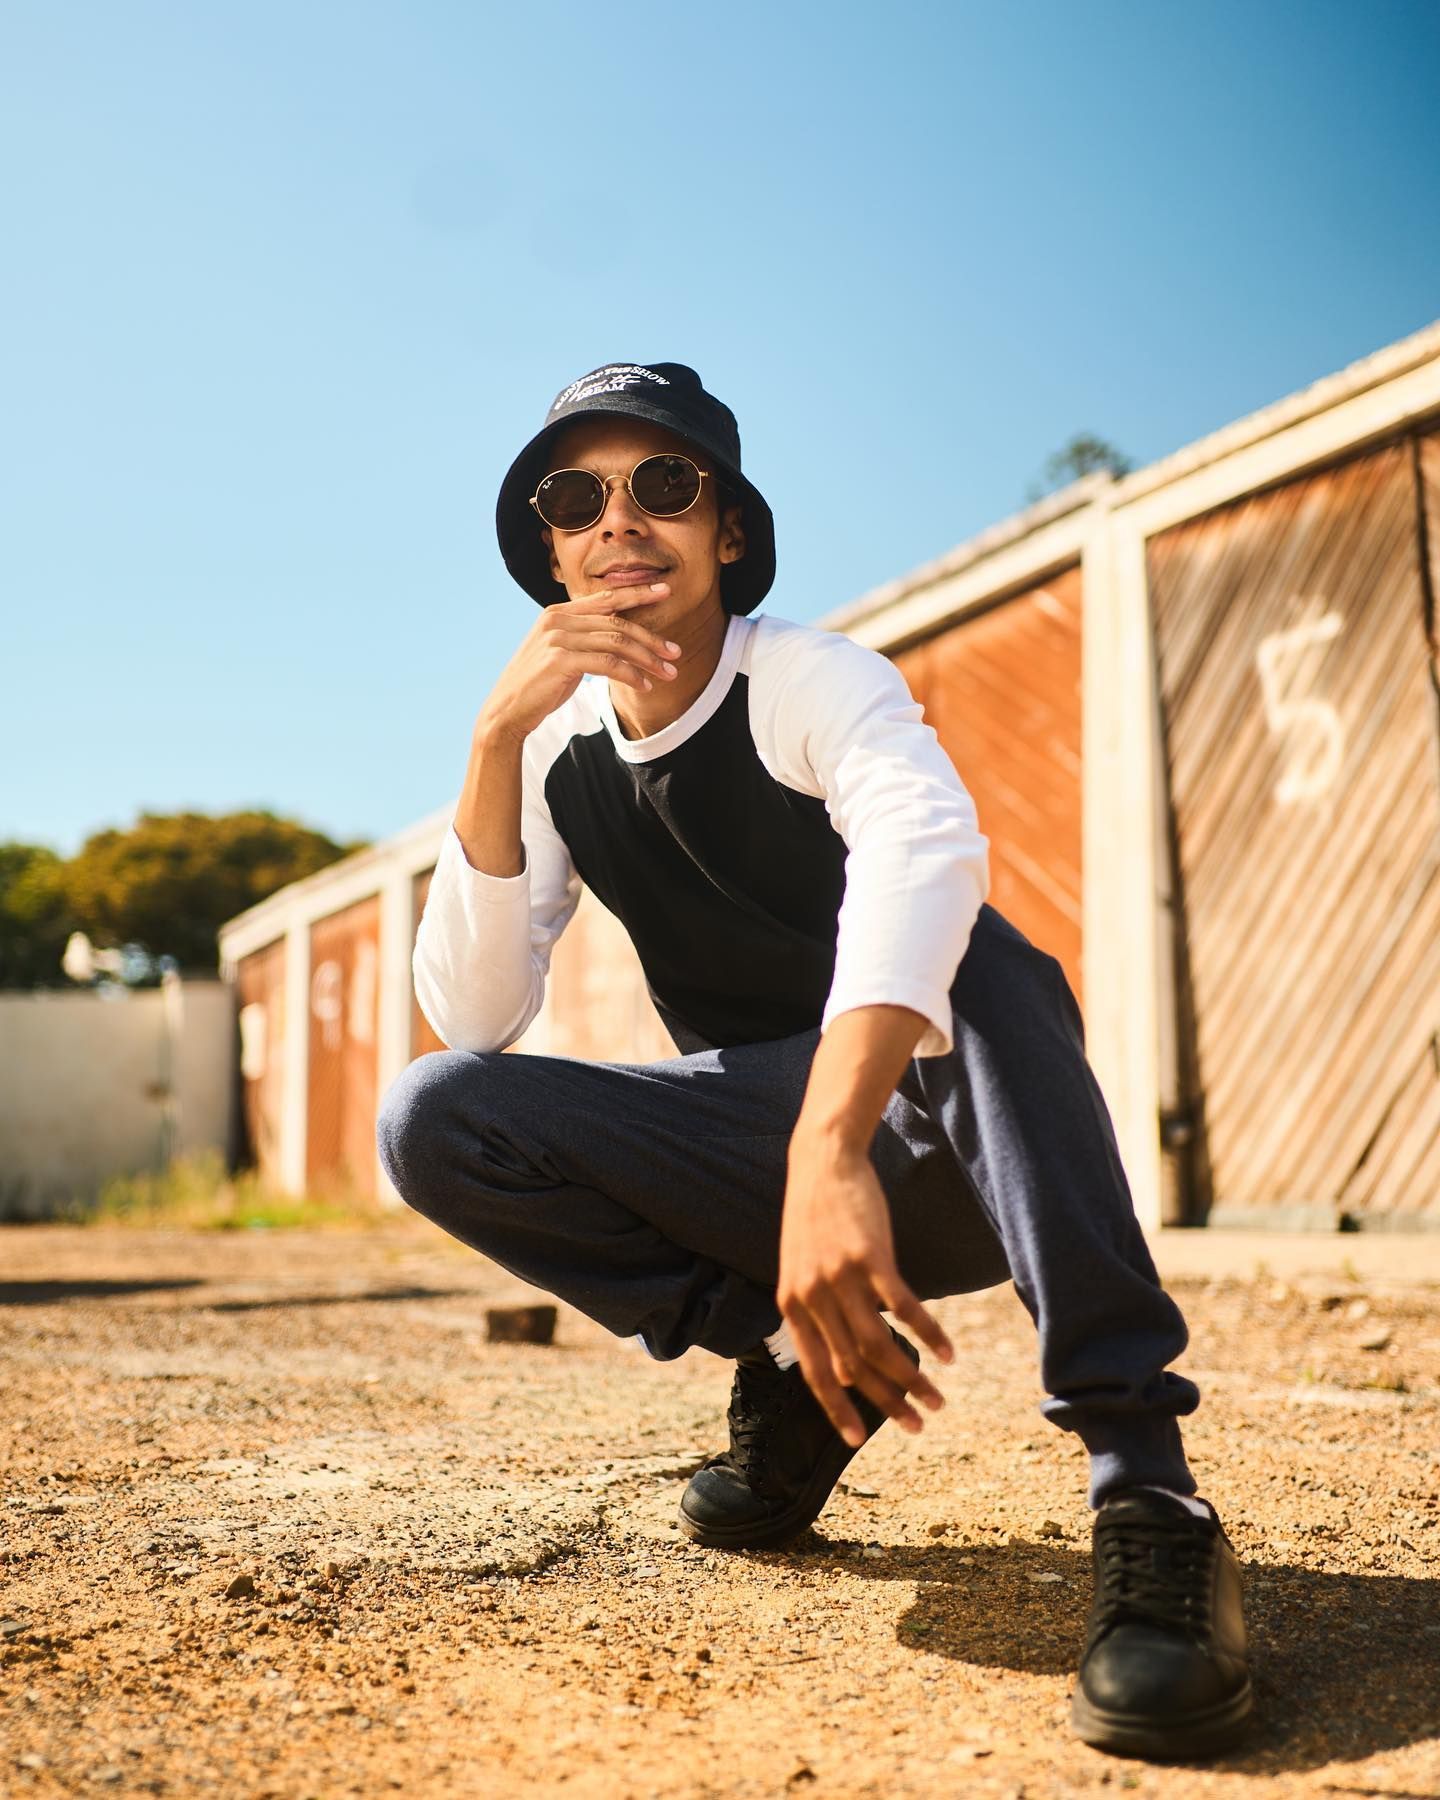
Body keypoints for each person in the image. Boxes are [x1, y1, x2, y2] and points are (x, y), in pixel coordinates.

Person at [375, 361, 1251, 1761]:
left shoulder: (807, 677)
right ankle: (798, 1365)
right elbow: (473, 1017)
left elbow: (930, 857)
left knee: (975, 957)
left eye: (667, 485)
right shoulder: (550, 759)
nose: (621, 521)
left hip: (948, 1143)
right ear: (547, 550)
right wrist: (489, 740)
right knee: (435, 1115)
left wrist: (831, 1147)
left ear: (729, 529)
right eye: (575, 497)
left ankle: (1148, 1491)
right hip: (775, 1178)